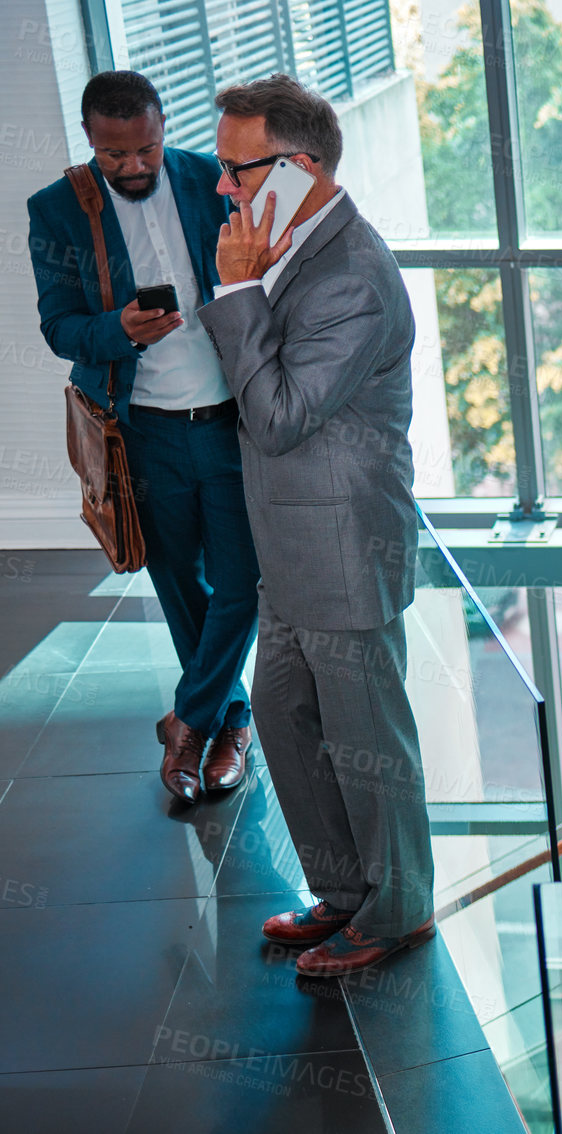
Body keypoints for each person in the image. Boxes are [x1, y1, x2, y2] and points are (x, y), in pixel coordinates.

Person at [195, 74, 433, 976]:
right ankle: (344, 894)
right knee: (291, 731)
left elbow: (281, 414)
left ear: (296, 168)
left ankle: (399, 911)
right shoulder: (291, 247)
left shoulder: (354, 279)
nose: (223, 188)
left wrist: (236, 293)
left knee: (370, 748)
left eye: (236, 170)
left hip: (341, 554)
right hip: (290, 551)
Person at [27, 71, 260, 806]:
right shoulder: (60, 210)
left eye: (146, 150)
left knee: (243, 581)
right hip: (141, 433)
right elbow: (60, 325)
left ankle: (191, 722)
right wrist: (116, 332)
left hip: (227, 420)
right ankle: (232, 723)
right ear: (91, 140)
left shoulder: (210, 180)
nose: (131, 167)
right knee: (177, 581)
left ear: (164, 130)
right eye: (114, 154)